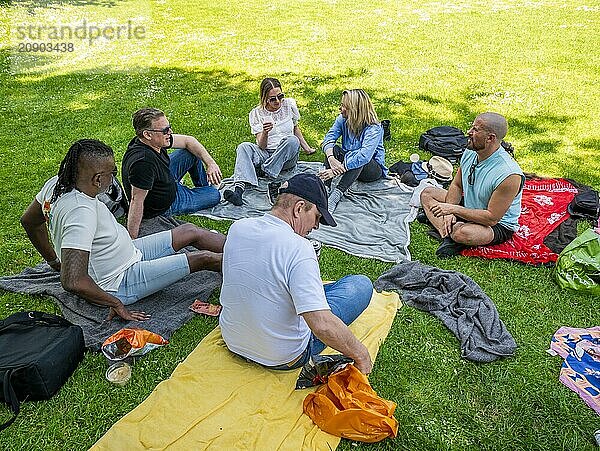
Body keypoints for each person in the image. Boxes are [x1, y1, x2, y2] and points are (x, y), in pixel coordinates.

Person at [21, 139, 225, 322]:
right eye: (113, 173)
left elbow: (29, 221)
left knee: (189, 230)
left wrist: (54, 261)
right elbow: (73, 280)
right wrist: (115, 303)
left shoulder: (56, 184)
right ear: (97, 179)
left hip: (129, 253)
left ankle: (248, 245)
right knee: (203, 258)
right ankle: (253, 265)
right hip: (120, 281)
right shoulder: (80, 213)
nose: (114, 178)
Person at [219, 173, 374, 374]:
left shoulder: (238, 227)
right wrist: (361, 355)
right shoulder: (299, 248)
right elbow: (321, 325)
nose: (316, 226)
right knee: (360, 285)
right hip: (284, 357)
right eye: (317, 217)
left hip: (234, 340)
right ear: (299, 208)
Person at [420, 112, 525, 258]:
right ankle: (448, 228)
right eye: (472, 127)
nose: (469, 132)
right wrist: (450, 212)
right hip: (470, 206)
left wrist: (452, 209)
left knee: (464, 233)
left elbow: (491, 218)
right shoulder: (471, 151)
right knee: (427, 193)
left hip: (495, 224)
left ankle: (446, 230)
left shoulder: (509, 174)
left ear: (490, 138)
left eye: (475, 130)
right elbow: (457, 185)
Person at [122, 108, 223, 239]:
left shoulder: (152, 142)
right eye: (165, 130)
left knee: (190, 152)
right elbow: (136, 200)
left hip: (164, 178)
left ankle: (202, 187)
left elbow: (188, 141)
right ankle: (201, 193)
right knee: (214, 194)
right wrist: (132, 239)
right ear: (147, 135)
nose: (170, 132)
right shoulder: (143, 163)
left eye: (169, 127)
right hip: (168, 203)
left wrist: (211, 163)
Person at [223, 77, 315, 206]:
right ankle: (238, 192)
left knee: (292, 140)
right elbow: (261, 145)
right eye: (273, 99)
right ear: (264, 98)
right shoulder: (257, 114)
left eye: (280, 96)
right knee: (243, 147)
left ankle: (266, 171)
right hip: (266, 153)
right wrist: (265, 132)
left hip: (286, 157)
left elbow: (295, 128)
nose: (278, 101)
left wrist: (307, 148)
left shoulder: (289, 105)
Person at [319, 89, 387, 213]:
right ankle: (325, 188)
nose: (340, 108)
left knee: (357, 156)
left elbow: (364, 156)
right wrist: (331, 158)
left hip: (371, 169)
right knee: (333, 149)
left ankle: (336, 195)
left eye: (344, 106)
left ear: (355, 109)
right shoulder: (342, 119)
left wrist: (338, 170)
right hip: (349, 161)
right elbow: (328, 138)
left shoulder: (374, 128)